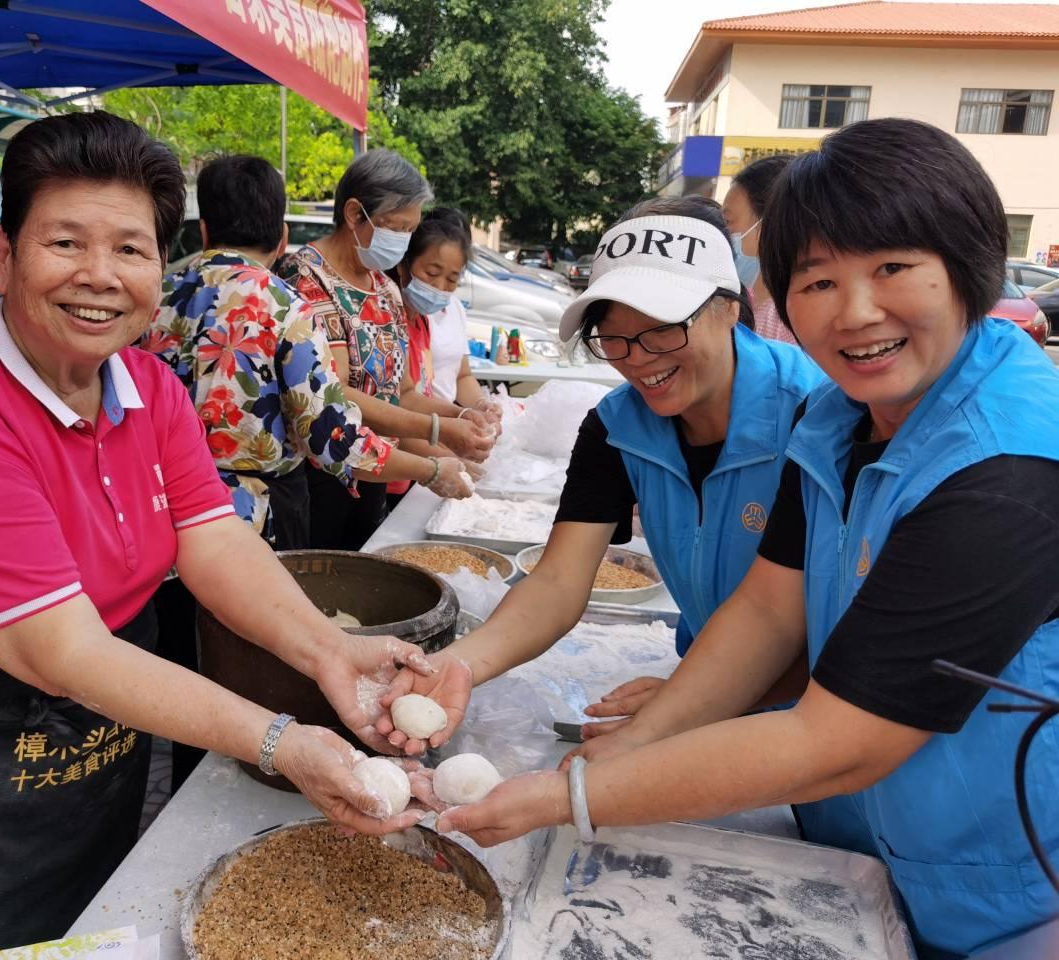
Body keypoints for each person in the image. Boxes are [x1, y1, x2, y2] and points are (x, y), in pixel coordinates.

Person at [0, 112, 470, 960]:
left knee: (93, 924)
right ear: (3, 252)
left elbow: (213, 539)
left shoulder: (148, 386)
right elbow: (63, 652)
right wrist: (280, 739)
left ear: (163, 264)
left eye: (130, 248)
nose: (100, 276)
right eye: (66, 243)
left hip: (99, 733)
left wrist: (325, 652)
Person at [438, 119, 1059, 959]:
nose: (857, 312)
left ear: (970, 265)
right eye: (819, 281)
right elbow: (768, 613)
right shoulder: (843, 418)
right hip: (849, 832)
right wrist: (627, 741)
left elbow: (836, 739)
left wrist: (571, 796)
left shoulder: (1006, 470)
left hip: (997, 884)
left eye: (893, 268)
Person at [397, 196, 821, 752]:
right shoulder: (617, 427)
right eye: (614, 338)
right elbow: (556, 581)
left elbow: (830, 626)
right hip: (714, 695)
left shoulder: (814, 419)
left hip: (824, 710)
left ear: (731, 307)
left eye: (663, 330)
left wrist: (695, 702)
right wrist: (459, 665)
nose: (640, 359)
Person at [143, 155, 473, 551]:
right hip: (257, 518)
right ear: (282, 237)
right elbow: (331, 434)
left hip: (164, 507)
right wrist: (431, 466)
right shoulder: (288, 304)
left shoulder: (153, 298)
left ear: (205, 229)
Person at [277, 150, 494, 549]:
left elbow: (404, 391)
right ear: (355, 214)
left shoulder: (385, 289)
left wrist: (461, 414)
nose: (403, 242)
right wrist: (438, 431)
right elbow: (336, 394)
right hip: (324, 473)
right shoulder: (305, 278)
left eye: (410, 231)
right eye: (395, 227)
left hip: (377, 472)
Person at [386, 207, 503, 503]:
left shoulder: (423, 321)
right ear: (404, 266)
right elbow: (397, 409)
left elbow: (417, 393)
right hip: (391, 462)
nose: (439, 288)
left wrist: (473, 411)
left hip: (422, 459)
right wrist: (450, 449)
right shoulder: (390, 322)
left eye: (451, 279)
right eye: (432, 273)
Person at [722, 155, 797, 345]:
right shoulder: (738, 293)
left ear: (770, 222)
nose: (722, 232)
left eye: (728, 222)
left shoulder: (795, 315)